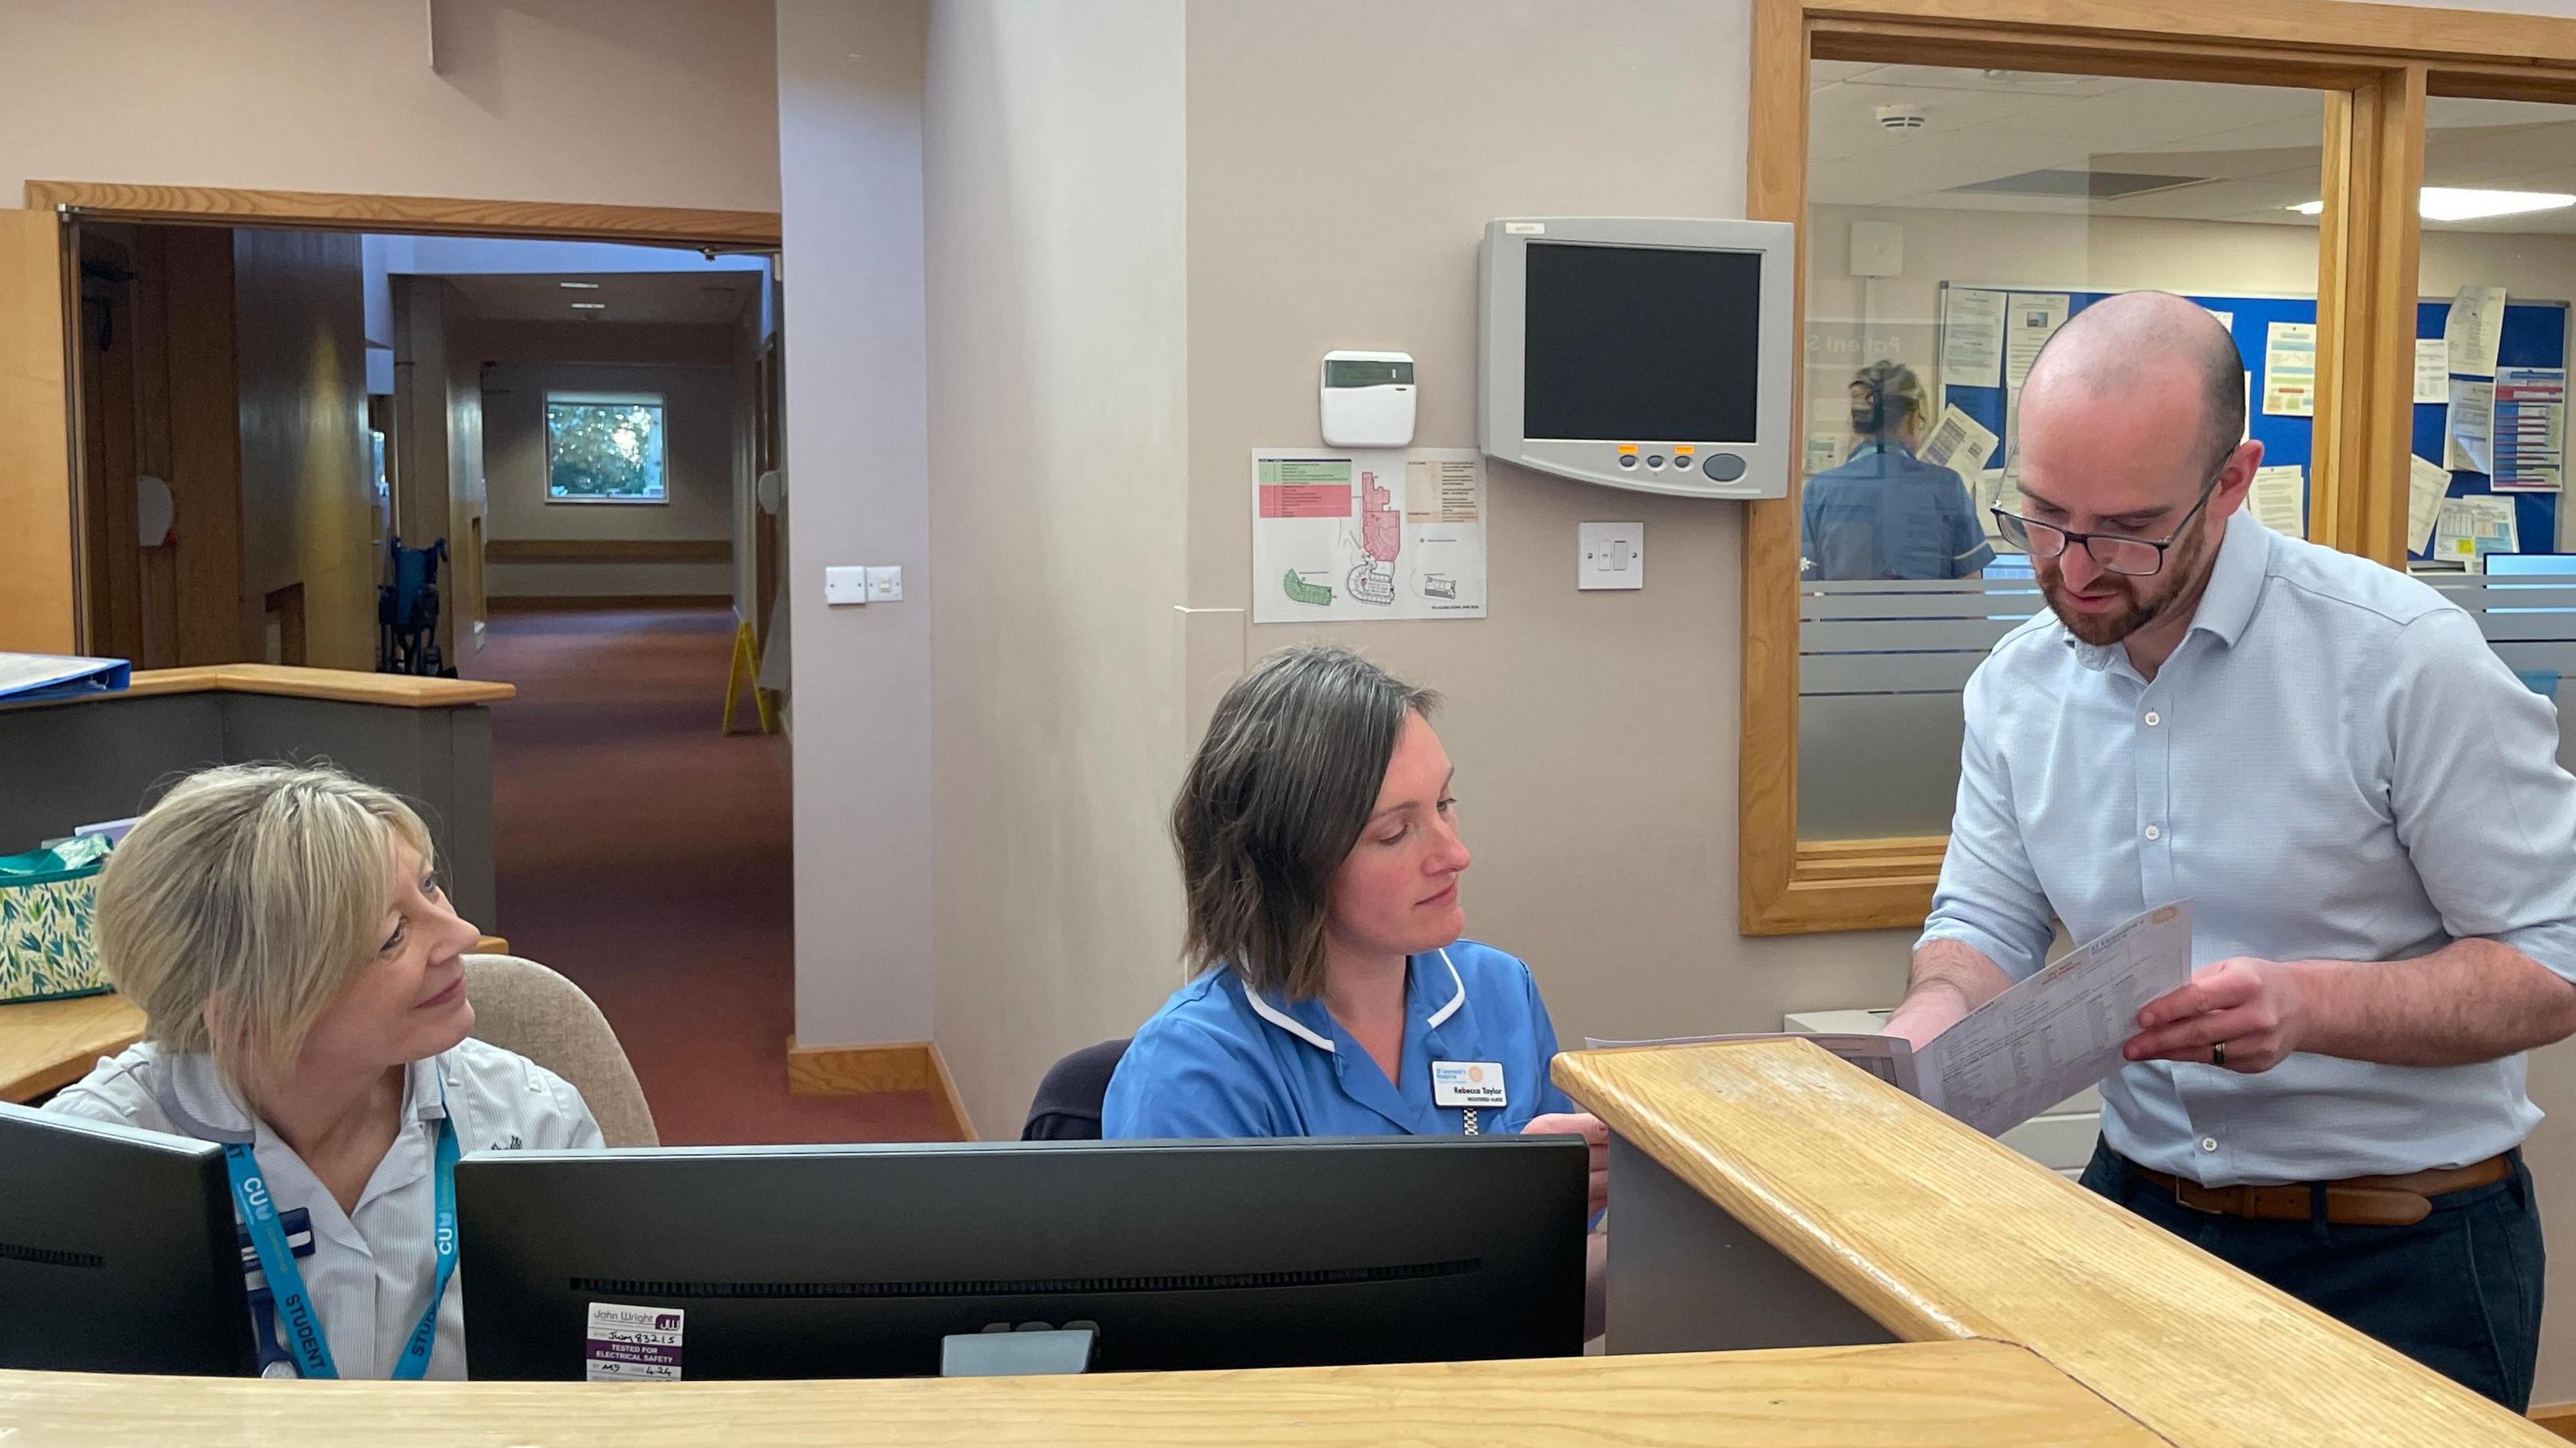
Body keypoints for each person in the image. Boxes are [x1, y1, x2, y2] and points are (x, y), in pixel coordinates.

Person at [1884, 290, 2576, 1410]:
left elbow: (2553, 962)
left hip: (2398, 1251)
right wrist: (1916, 1043)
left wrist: (2311, 1006)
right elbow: (1982, 927)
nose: (2072, 568)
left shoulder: (2404, 663)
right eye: (2043, 517)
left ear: (2233, 480)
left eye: (2125, 529)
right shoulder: (2018, 685)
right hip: (2137, 1218)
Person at [46, 764, 602, 1380]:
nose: (462, 934)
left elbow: (619, 1399)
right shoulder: (85, 1167)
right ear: (247, 1013)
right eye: (394, 934)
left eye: (430, 886)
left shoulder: (534, 1125)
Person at [1102, 645, 1608, 1221]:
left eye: (1445, 804)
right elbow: (1206, 1308)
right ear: (1289, 863)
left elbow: (1570, 1279)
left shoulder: (1499, 991)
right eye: (1396, 833)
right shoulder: (1194, 1070)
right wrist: (1493, 1220)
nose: (1455, 853)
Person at [1801, 359, 1996, 580]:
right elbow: (1971, 599)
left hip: (1845, 615)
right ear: (1913, 420)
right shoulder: (1946, 486)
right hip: (1929, 615)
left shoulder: (1818, 491)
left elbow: (1803, 598)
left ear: (1857, 424)